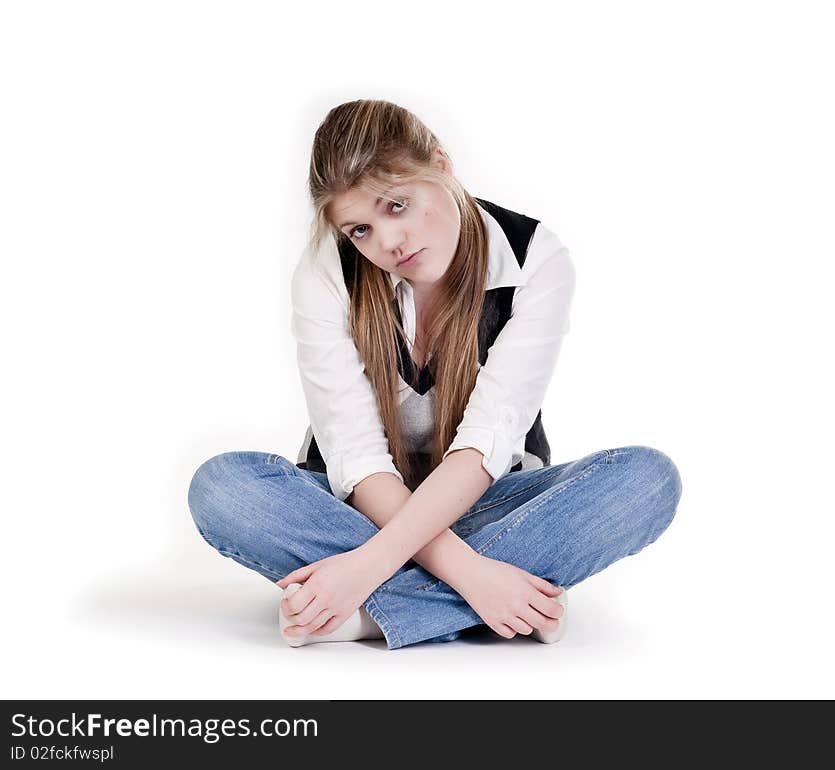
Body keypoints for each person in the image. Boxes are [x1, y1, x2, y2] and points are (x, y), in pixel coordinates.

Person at [187, 98, 683, 651]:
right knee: (223, 489)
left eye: (396, 206)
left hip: (487, 500)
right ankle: (501, 599)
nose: (386, 245)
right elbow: (355, 456)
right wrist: (474, 574)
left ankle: (364, 615)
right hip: (358, 508)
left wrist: (362, 571)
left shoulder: (534, 260)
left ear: (442, 166)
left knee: (646, 481)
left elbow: (484, 446)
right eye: (360, 230)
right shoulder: (326, 271)